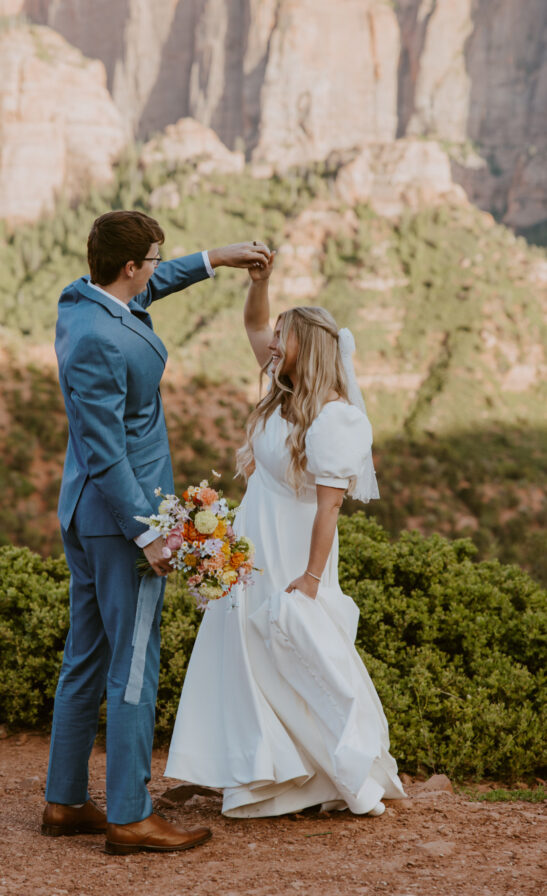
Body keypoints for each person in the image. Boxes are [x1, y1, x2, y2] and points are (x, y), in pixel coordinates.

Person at [41, 210, 271, 854]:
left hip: (84, 513)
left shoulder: (81, 302)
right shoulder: (98, 341)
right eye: (151, 259)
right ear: (129, 266)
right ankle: (131, 814)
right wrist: (149, 534)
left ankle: (65, 802)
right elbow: (104, 449)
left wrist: (215, 259)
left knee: (85, 653)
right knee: (135, 658)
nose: (154, 270)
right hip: (122, 520)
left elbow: (151, 285)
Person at [166, 254, 406, 818]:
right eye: (275, 336)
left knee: (295, 648)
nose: (271, 343)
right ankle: (257, 770)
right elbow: (251, 325)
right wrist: (261, 283)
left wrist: (312, 579)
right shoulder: (282, 387)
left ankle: (320, 773)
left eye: (283, 337)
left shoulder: (334, 417)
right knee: (247, 650)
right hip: (254, 536)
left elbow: (329, 511)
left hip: (297, 547)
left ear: (309, 346)